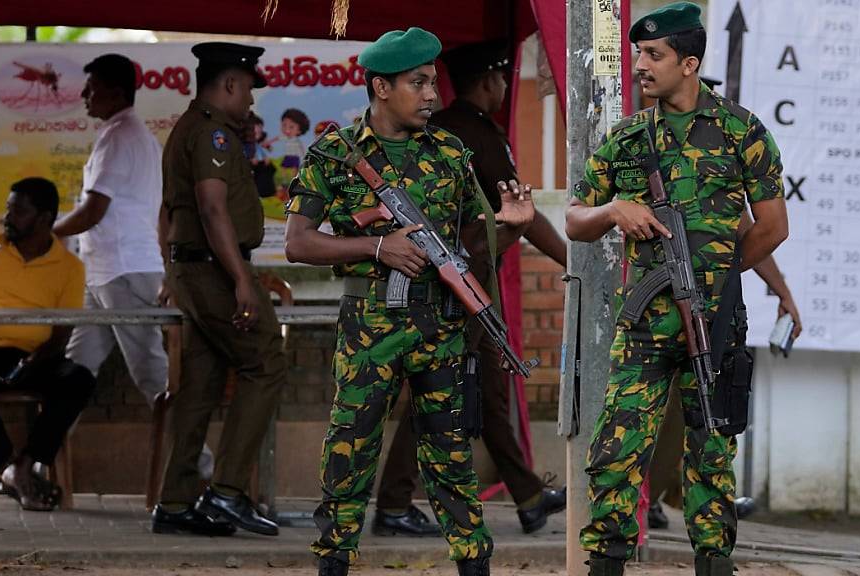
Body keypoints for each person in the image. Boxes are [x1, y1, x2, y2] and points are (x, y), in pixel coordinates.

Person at [283, 27, 534, 576]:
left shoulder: (449, 152)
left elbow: (463, 251)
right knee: (350, 451)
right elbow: (298, 242)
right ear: (380, 87)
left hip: (439, 325)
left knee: (451, 460)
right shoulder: (336, 152)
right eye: (417, 84)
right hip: (369, 324)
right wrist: (377, 246)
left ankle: (474, 565)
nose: (431, 96)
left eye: (431, 83)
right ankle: (333, 564)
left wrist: (511, 228)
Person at [564, 3, 789, 575]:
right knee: (615, 453)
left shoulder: (743, 131)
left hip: (713, 327)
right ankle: (607, 564)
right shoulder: (627, 139)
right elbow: (574, 220)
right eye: (639, 53)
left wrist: (717, 277)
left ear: (689, 64)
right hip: (644, 328)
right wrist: (615, 209)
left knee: (711, 455)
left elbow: (772, 226)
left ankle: (714, 564)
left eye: (654, 55)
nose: (641, 64)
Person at [373, 40, 568, 538]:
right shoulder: (473, 135)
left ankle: (527, 496)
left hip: (464, 277)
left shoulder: (451, 130)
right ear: (488, 81)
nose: (505, 87)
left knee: (487, 388)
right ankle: (394, 501)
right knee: (440, 390)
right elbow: (521, 214)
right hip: (459, 282)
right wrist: (572, 259)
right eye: (502, 78)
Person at [52, 53, 216, 482]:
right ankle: (38, 463)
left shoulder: (122, 135)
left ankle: (203, 473)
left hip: (123, 270)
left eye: (91, 88)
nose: (84, 96)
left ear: (116, 91)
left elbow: (94, 210)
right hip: (104, 270)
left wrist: (47, 234)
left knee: (151, 374)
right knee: (76, 370)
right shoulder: (125, 134)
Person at [152, 42, 286, 538]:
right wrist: (240, 280)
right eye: (249, 88)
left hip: (194, 269)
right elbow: (212, 209)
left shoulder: (190, 128)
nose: (251, 101)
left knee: (203, 383)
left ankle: (176, 500)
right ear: (230, 83)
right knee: (267, 361)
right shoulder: (213, 134)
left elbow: (170, 213)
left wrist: (174, 273)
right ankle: (227, 492)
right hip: (213, 270)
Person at [646, 240, 802, 530]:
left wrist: (781, 292)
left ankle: (676, 499)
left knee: (696, 408)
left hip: (700, 307)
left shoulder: (725, 198)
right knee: (652, 412)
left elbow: (755, 230)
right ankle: (651, 499)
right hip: (648, 309)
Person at [0, 177, 95, 512]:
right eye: (9, 210)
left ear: (44, 219)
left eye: (18, 212)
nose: (8, 219)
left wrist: (32, 362)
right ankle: (10, 465)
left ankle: (25, 465)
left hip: (33, 357)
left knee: (78, 379)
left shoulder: (70, 267)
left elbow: (62, 333)